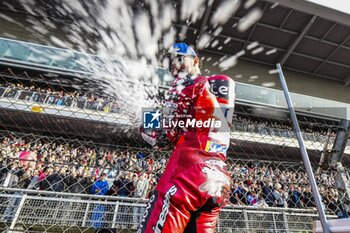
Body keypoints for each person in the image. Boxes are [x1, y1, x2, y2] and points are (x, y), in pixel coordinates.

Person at [139, 42, 235, 233]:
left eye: (180, 59)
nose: (174, 66)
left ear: (196, 61)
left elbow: (164, 138)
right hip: (218, 180)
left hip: (187, 175)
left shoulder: (186, 83)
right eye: (170, 62)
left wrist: (145, 120)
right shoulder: (217, 89)